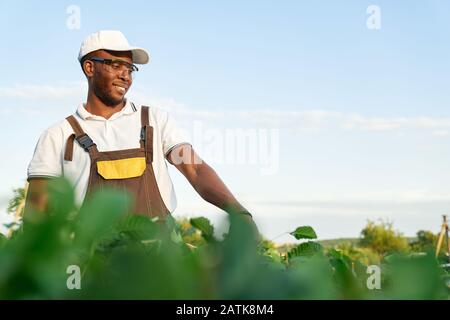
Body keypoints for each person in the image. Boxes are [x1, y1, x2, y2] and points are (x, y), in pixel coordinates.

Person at [25, 30, 257, 232]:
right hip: (89, 269)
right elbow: (37, 214)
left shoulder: (155, 121)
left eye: (130, 68)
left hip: (156, 264)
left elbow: (194, 168)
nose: (125, 75)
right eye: (115, 65)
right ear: (89, 67)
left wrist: (238, 212)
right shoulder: (57, 135)